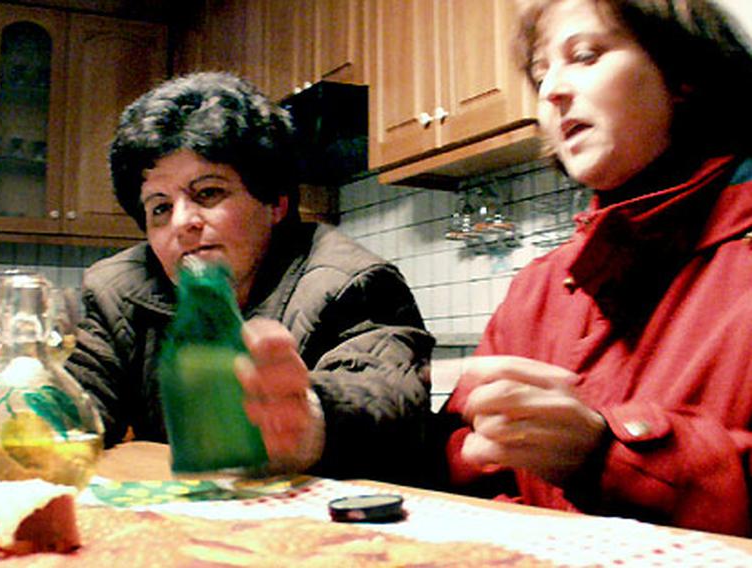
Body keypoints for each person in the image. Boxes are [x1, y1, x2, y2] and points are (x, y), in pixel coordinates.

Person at [434, 0, 752, 535]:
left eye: (584, 56)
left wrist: (614, 456)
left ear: (683, 75)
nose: (553, 90)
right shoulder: (535, 289)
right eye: (541, 74)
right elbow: (481, 477)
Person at [65, 71, 434, 484]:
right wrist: (24, 396)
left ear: (275, 203)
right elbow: (77, 411)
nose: (182, 222)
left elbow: (393, 402)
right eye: (160, 208)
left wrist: (306, 420)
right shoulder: (117, 289)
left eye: (208, 193)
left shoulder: (351, 280)